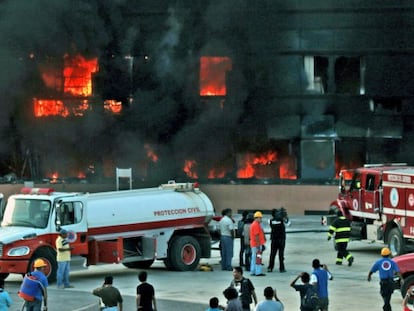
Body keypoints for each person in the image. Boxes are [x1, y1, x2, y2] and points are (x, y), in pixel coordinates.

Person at [367, 247, 402, 311]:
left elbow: (372, 270)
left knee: (384, 294)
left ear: (381, 254)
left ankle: (386, 307)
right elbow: (398, 271)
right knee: (388, 295)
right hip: (391, 282)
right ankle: (387, 307)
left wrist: (369, 276)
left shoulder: (378, 262)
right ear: (389, 254)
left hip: (383, 282)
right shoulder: (392, 262)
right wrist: (402, 279)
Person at [268, 207, 290, 273]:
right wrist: (286, 217)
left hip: (274, 239)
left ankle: (270, 267)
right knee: (281, 255)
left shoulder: (270, 221)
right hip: (281, 239)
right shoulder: (282, 220)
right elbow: (288, 224)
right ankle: (282, 268)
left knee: (272, 254)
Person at [250, 211, 266, 276]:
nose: (261, 219)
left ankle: (253, 271)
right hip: (257, 245)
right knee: (258, 258)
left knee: (254, 258)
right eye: (260, 218)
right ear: (256, 218)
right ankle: (258, 272)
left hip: (254, 244)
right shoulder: (256, 225)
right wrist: (258, 245)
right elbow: (256, 236)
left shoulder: (254, 224)